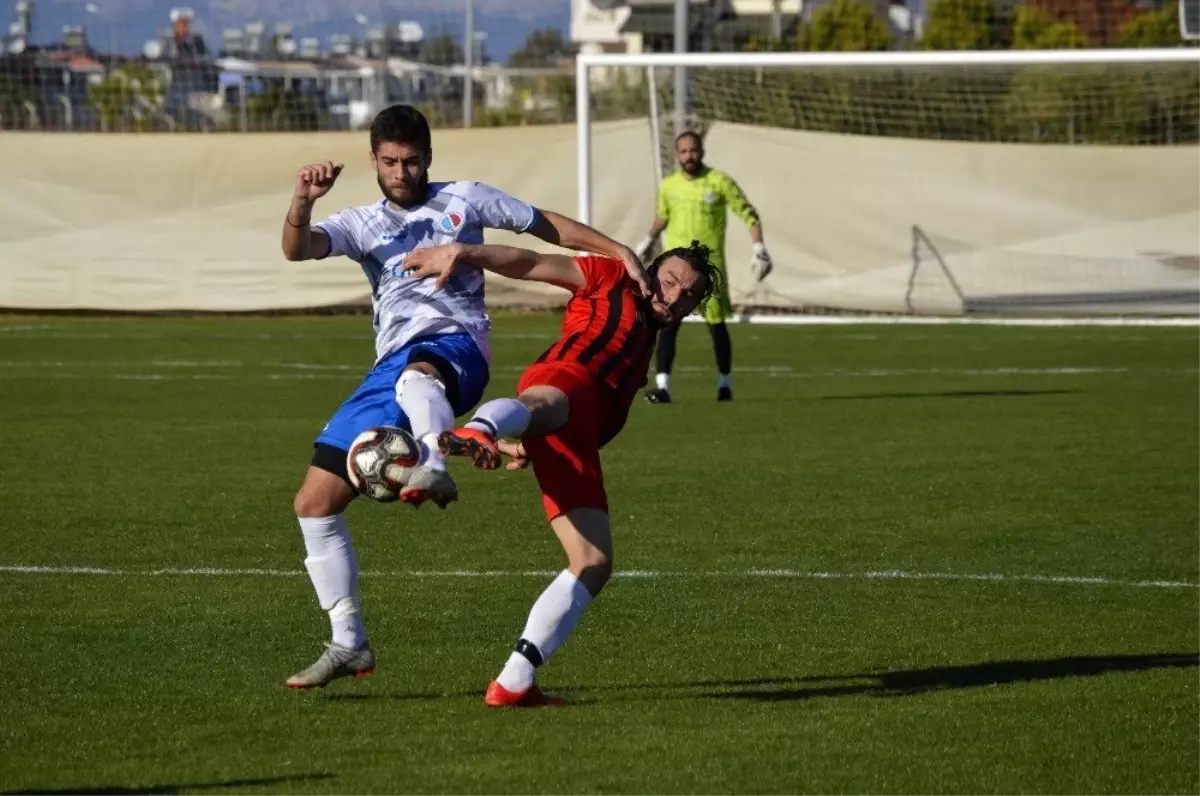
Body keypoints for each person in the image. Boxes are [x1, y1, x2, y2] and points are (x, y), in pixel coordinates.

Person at [280, 104, 649, 690]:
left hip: (457, 346)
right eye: (390, 162)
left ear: (429, 157)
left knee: (418, 376)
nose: (401, 172)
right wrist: (302, 202)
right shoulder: (362, 223)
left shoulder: (465, 199)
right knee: (313, 503)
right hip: (388, 366)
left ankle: (431, 462)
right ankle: (350, 641)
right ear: (375, 160)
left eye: (412, 161)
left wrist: (617, 251)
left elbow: (542, 225)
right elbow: (299, 249)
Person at [404, 237, 719, 707]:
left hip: (574, 434)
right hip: (564, 381)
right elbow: (529, 262)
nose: (673, 297)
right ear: (649, 271)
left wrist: (528, 442)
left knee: (592, 562)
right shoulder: (608, 276)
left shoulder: (647, 335)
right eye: (670, 281)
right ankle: (480, 429)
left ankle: (514, 681)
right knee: (549, 400)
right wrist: (463, 252)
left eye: (688, 296)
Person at [634, 130, 772, 404]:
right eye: (683, 151)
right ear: (676, 155)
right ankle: (663, 387)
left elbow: (749, 213)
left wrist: (759, 248)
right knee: (667, 325)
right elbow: (662, 216)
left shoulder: (718, 181)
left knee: (716, 327)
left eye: (693, 151)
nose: (689, 156)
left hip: (709, 271)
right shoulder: (669, 186)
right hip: (673, 273)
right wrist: (647, 242)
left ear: (702, 152)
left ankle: (724, 385)